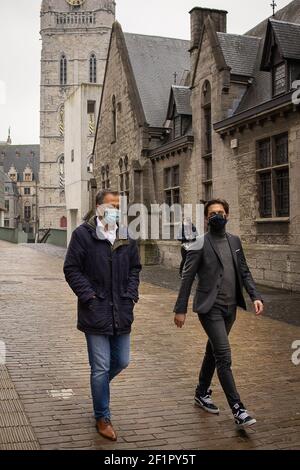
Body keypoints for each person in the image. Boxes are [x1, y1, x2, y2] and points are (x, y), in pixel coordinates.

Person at [173, 199, 264, 429]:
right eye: (212, 213)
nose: (217, 216)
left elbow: (244, 270)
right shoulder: (198, 243)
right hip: (209, 308)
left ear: (228, 215)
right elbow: (187, 277)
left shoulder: (234, 240)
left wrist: (255, 295)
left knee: (213, 350)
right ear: (206, 218)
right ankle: (238, 410)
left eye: (220, 212)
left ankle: (201, 392)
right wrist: (180, 309)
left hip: (230, 308)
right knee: (224, 356)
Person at [64, 190, 142, 441]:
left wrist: (130, 295)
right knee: (100, 367)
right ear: (98, 207)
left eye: (119, 206)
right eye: (111, 205)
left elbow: (134, 269)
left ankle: (99, 391)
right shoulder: (82, 235)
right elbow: (72, 269)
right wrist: (89, 296)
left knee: (121, 361)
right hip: (95, 311)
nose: (116, 209)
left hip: (122, 309)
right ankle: (102, 416)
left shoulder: (126, 235)